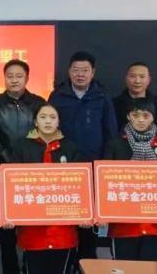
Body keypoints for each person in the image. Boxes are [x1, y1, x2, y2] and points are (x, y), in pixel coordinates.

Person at [47, 51, 117, 267]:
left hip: (92, 169)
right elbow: (49, 130)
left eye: (85, 70)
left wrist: (105, 167)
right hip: (64, 170)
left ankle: (87, 264)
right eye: (76, 70)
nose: (80, 74)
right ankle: (67, 265)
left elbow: (111, 133)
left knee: (88, 224)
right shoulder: (57, 97)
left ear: (93, 72)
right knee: (65, 220)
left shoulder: (102, 97)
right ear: (69, 72)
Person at [0, 59, 45, 274]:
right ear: (4, 78)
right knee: (7, 228)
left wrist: (27, 158)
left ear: (27, 78)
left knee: (31, 224)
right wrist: (8, 158)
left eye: (19, 76)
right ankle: (9, 269)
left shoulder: (38, 102)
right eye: (10, 76)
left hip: (32, 170)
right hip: (4, 170)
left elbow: (44, 131)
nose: (14, 80)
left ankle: (29, 267)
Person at [104, 97, 157, 261]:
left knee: (148, 267)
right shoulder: (115, 144)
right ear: (128, 116)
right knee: (124, 268)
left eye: (146, 116)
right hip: (123, 222)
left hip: (154, 223)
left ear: (153, 118)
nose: (140, 120)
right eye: (135, 115)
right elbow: (104, 181)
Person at [10, 103, 81, 274]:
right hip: (32, 227)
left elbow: (81, 186)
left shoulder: (70, 147)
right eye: (43, 117)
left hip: (63, 227)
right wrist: (9, 214)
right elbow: (11, 184)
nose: (48, 121)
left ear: (59, 121)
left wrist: (85, 214)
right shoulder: (22, 146)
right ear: (35, 121)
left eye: (52, 117)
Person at [113, 62, 157, 141]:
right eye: (133, 76)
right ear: (126, 78)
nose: (137, 81)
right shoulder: (114, 104)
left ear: (149, 80)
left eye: (142, 76)